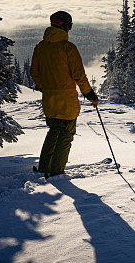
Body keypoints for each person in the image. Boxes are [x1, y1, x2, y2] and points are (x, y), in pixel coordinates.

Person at [31, 11, 99, 177]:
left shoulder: (40, 47)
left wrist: (45, 87)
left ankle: (44, 167)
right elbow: (79, 76)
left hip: (49, 100)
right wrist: (89, 94)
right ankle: (56, 172)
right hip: (67, 101)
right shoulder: (68, 48)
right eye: (70, 26)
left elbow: (34, 72)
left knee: (53, 132)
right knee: (66, 135)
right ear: (65, 26)